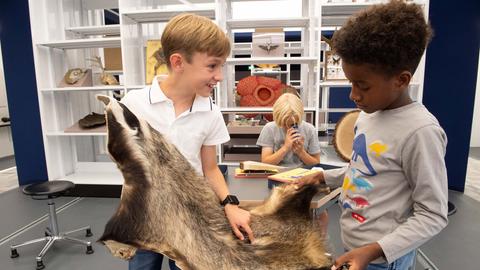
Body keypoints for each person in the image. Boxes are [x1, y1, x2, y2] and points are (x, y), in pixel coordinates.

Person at [294, 1, 448, 270]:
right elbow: (364, 170)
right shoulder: (368, 115)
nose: (353, 95)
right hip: (356, 248)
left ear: (401, 80)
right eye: (350, 83)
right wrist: (324, 175)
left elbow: (433, 215)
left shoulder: (420, 132)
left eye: (362, 86)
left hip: (384, 259)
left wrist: (374, 250)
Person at [121, 13, 254, 270]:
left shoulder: (211, 111)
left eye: (221, 66)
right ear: (178, 62)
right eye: (212, 66)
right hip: (145, 215)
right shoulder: (133, 105)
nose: (220, 76)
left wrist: (230, 204)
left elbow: (210, 169)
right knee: (143, 266)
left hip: (190, 216)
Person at [256, 92, 328, 236]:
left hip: (304, 179)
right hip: (277, 181)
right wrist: (285, 148)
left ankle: (319, 247)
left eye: (294, 123)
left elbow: (316, 163)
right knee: (275, 213)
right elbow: (265, 162)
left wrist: (301, 152)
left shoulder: (309, 129)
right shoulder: (270, 129)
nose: (290, 127)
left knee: (321, 214)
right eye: (285, 124)